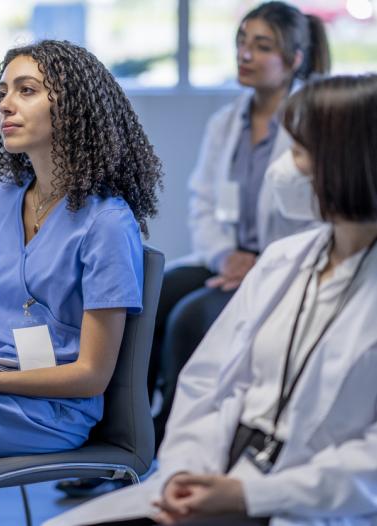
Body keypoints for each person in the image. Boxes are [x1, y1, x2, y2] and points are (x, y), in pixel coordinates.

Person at [43, 73, 377, 526]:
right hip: (217, 472)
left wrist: (248, 495)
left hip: (307, 501)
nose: (283, 170)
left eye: (297, 153)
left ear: (348, 164)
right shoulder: (286, 260)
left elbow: (368, 467)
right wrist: (185, 471)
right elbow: (210, 382)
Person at [0, 39, 162, 459]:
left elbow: (90, 375)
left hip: (50, 411)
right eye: (3, 93)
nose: (6, 105)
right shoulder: (6, 198)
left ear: (72, 107)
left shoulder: (107, 223)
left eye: (26, 90)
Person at [150, 0, 331, 451]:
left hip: (285, 267)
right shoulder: (225, 123)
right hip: (229, 257)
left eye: (262, 46)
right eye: (242, 43)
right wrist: (225, 255)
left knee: (191, 317)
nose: (245, 55)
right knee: (153, 292)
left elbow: (320, 214)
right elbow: (203, 201)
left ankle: (172, 435)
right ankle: (128, 430)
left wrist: (260, 264)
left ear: (293, 60)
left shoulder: (315, 123)